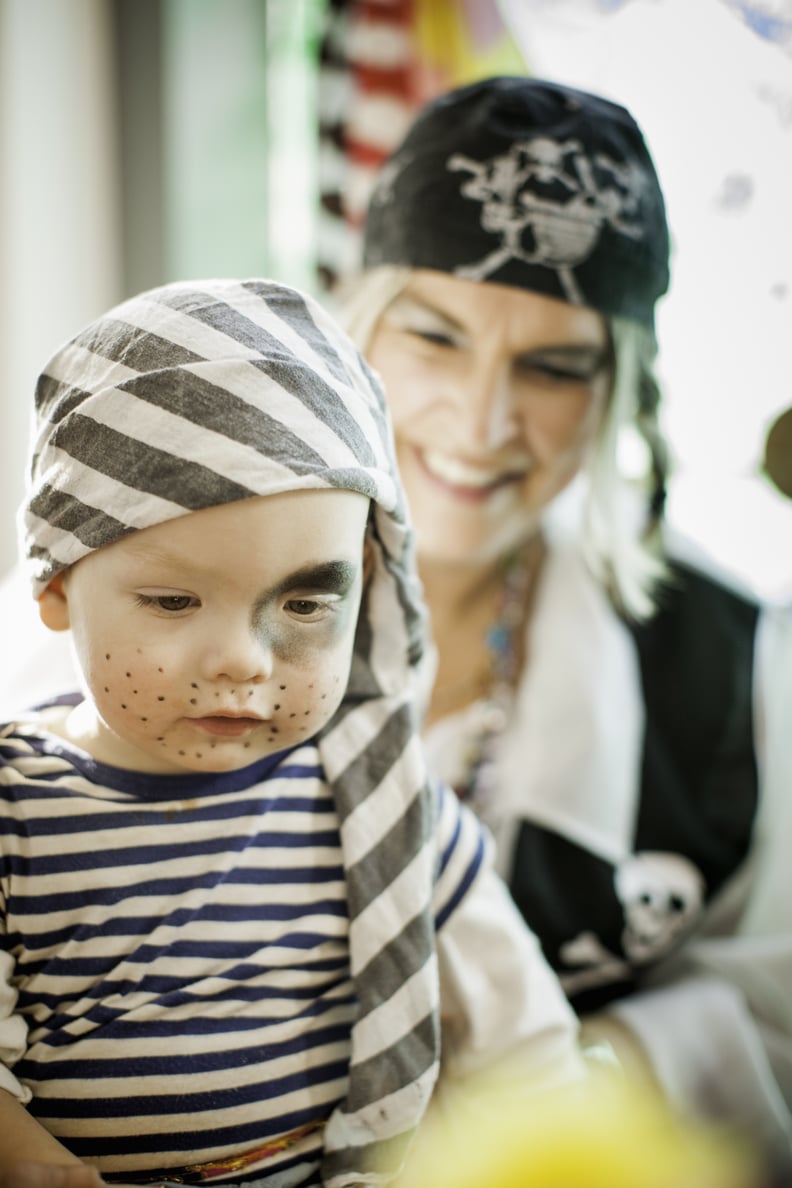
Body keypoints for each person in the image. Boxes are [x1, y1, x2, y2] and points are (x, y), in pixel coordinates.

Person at [0, 278, 586, 1187]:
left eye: (308, 601)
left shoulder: (383, 806)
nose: (244, 658)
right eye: (173, 600)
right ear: (55, 585)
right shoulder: (15, 814)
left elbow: (531, 1057)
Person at [334, 76, 792, 1155]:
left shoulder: (740, 666)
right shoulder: (155, 595)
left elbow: (779, 1002)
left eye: (551, 365)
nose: (483, 422)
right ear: (357, 333)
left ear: (617, 391)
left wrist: (575, 1082)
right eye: (437, 340)